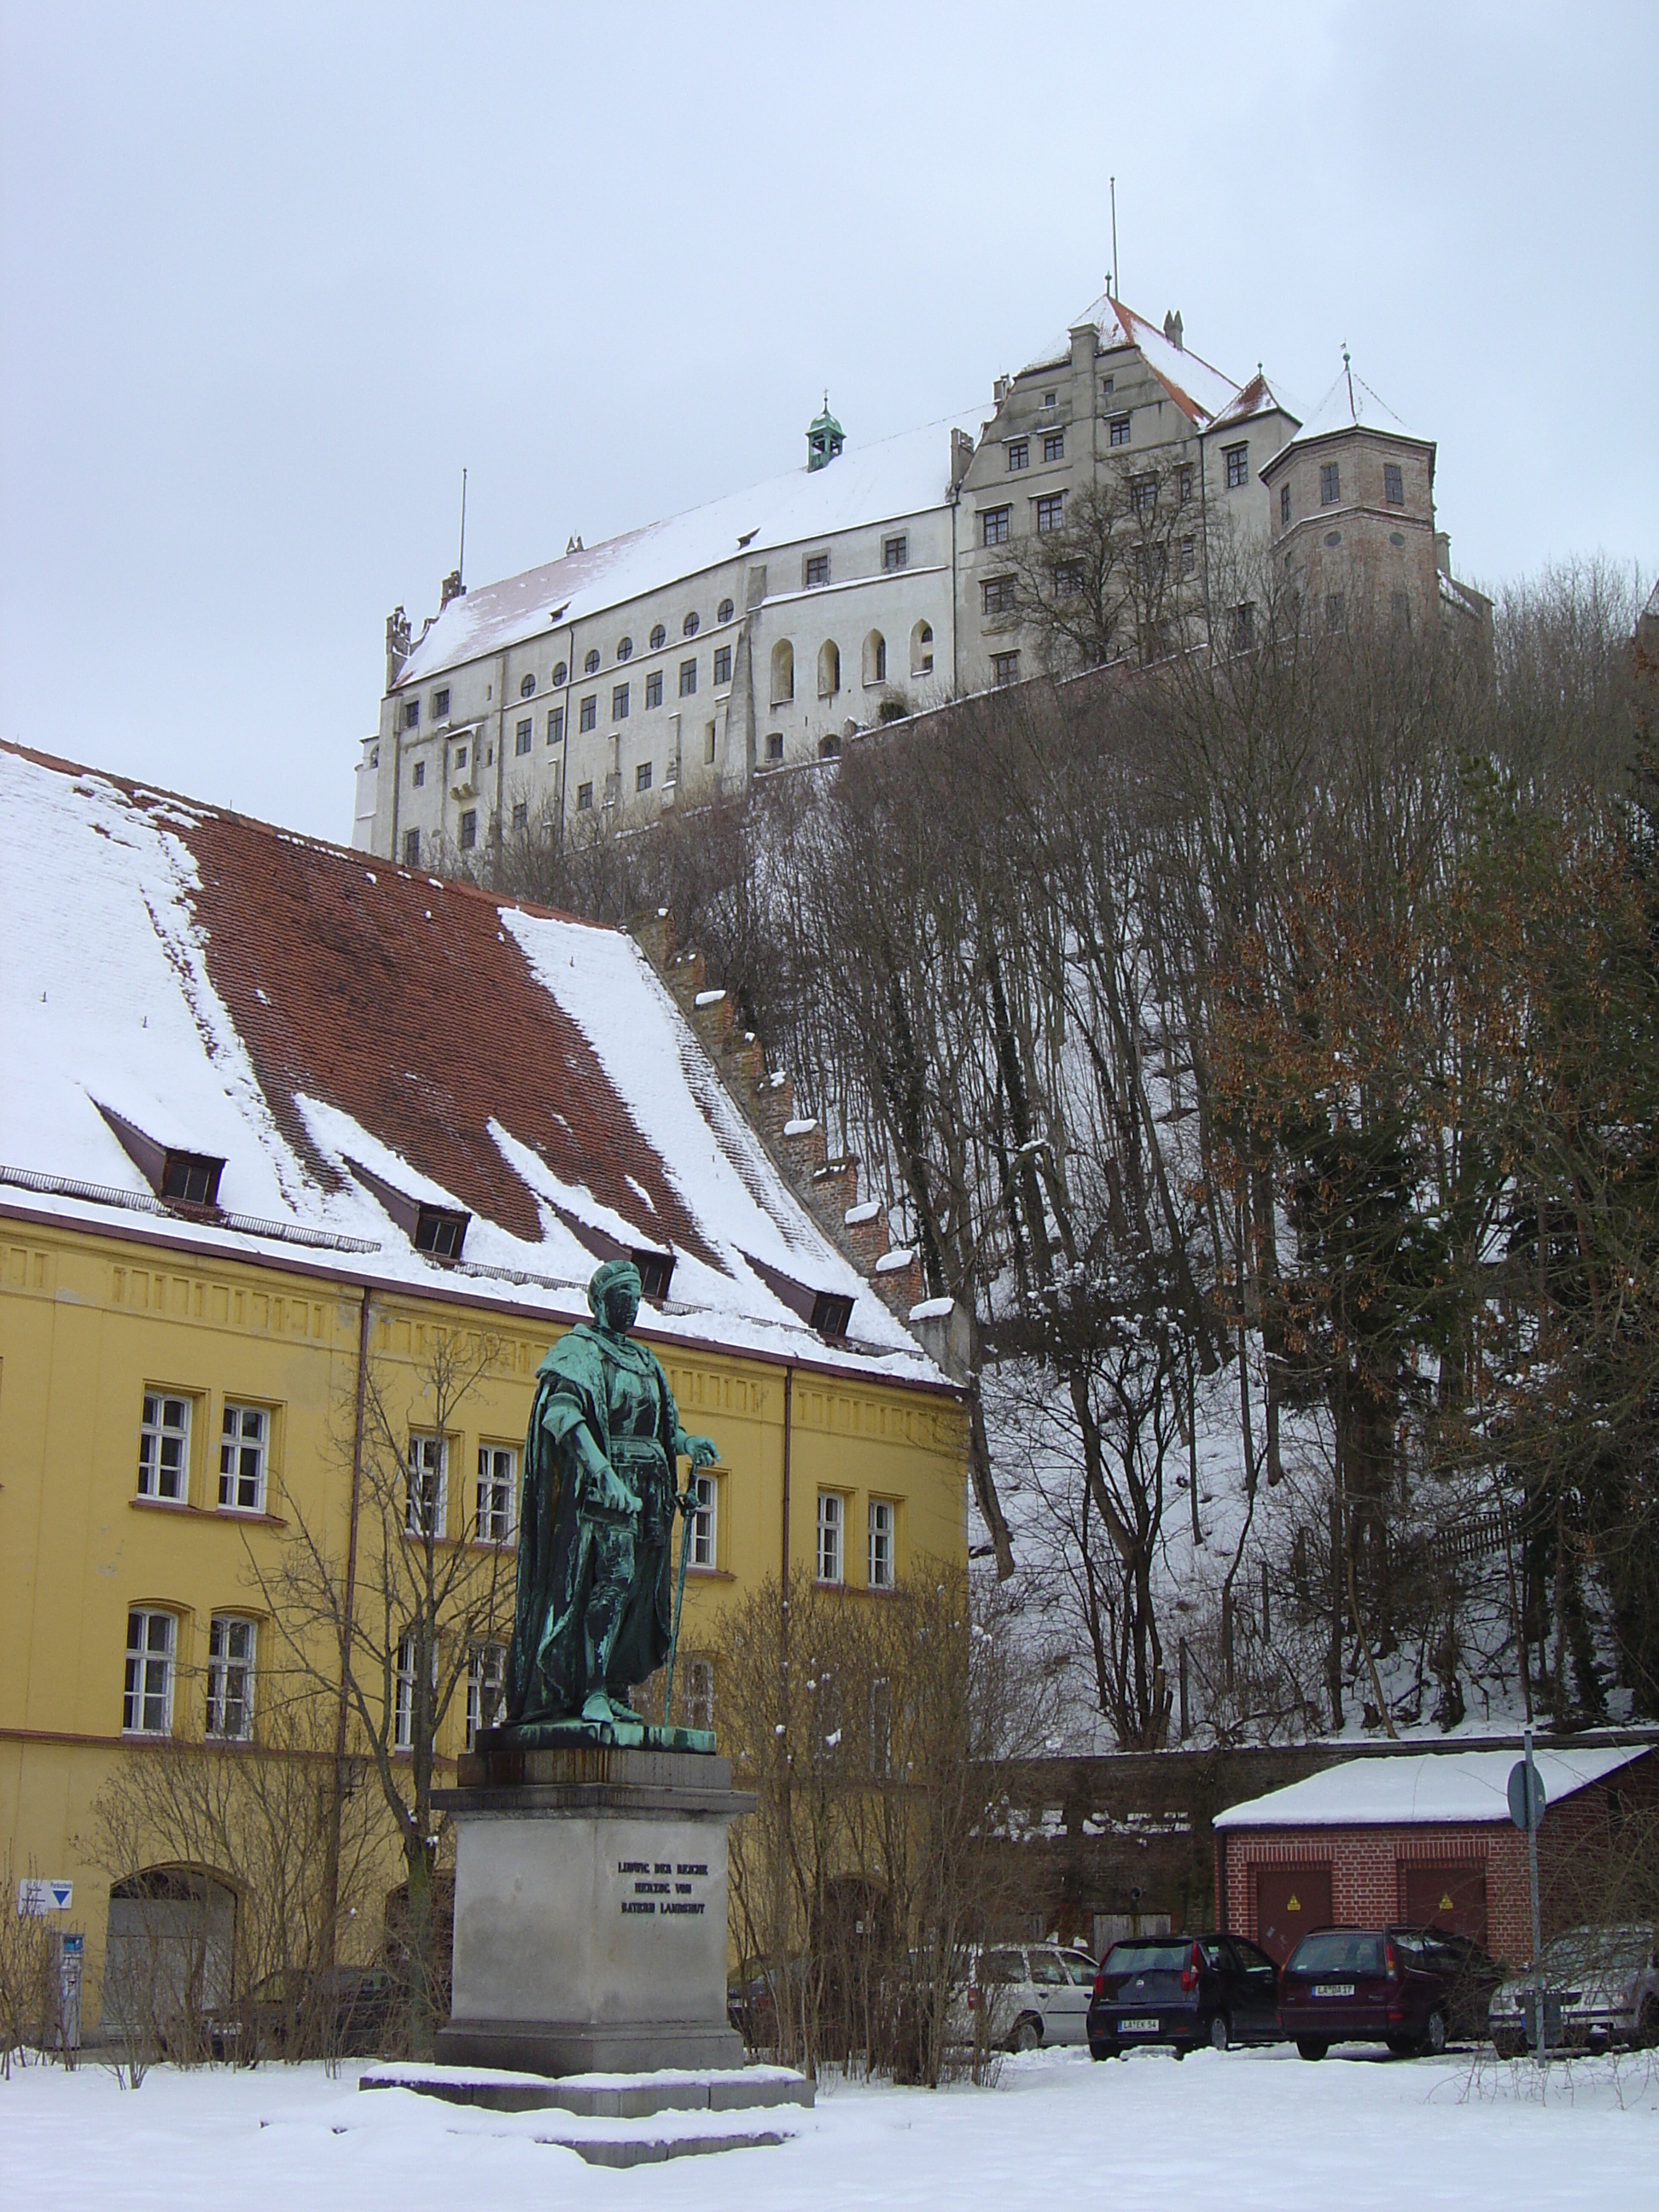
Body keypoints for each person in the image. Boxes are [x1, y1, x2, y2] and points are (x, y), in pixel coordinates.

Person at [507, 1259, 719, 1730]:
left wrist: (687, 1444)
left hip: (652, 1490)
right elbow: (562, 1416)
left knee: (639, 1592)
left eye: (638, 1297)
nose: (634, 1306)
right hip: (607, 1490)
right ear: (601, 1300)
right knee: (611, 1581)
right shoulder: (577, 1351)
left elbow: (662, 1426)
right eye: (625, 1296)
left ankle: (616, 1684)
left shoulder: (646, 1360)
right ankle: (591, 1689)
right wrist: (602, 1473)